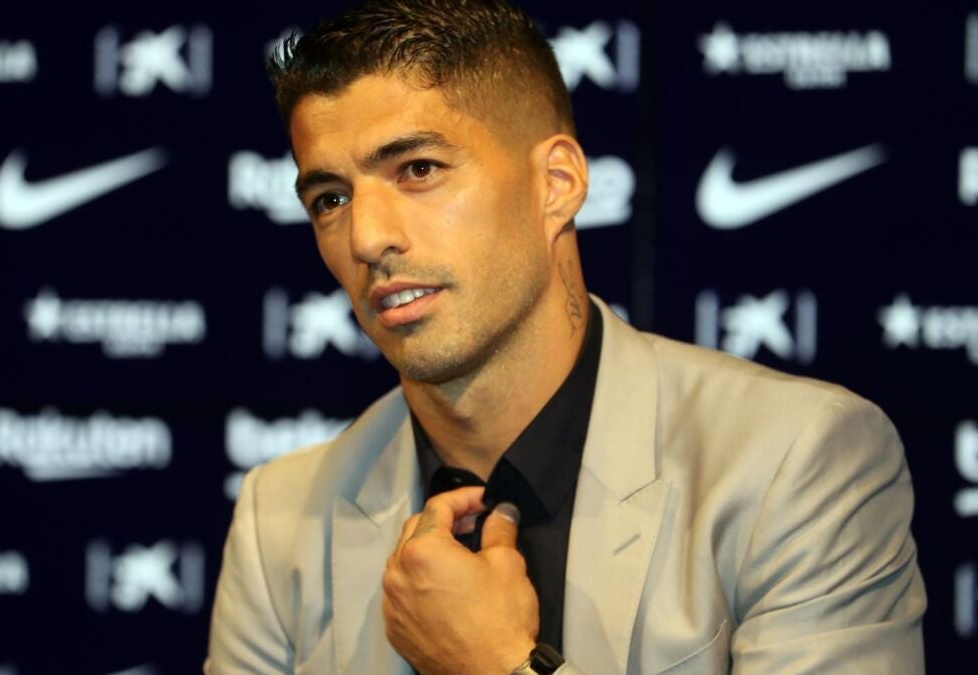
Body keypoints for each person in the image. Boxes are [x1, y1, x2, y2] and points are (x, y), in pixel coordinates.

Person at [205, 1, 927, 673]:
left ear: (557, 183)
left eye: (418, 170)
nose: (366, 237)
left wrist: (499, 664)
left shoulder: (795, 461)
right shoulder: (281, 521)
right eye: (330, 198)